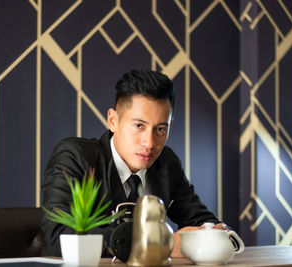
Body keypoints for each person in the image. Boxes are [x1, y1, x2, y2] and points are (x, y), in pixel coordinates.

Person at [41, 69, 229, 257]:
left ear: (170, 126)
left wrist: (216, 234)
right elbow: (57, 237)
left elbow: (203, 221)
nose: (149, 143)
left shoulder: (166, 162)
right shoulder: (75, 156)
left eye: (161, 129)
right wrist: (161, 243)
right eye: (139, 126)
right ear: (113, 120)